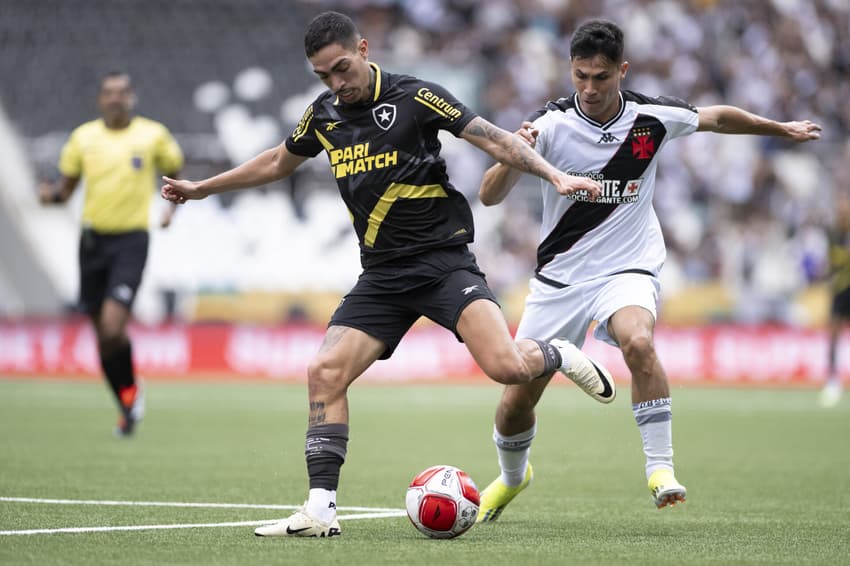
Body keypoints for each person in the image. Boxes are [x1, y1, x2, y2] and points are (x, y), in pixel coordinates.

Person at [161, 11, 616, 538]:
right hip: (382, 276)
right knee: (324, 373)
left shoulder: (416, 96)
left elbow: (493, 139)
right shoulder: (324, 115)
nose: (336, 83)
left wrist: (555, 174)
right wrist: (202, 188)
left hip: (444, 263)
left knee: (509, 368)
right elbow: (276, 162)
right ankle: (320, 509)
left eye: (342, 68)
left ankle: (559, 353)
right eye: (324, 76)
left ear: (364, 48)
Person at [474, 19, 822, 521]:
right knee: (513, 404)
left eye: (601, 77)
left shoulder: (650, 117)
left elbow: (717, 117)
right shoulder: (547, 125)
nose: (589, 89)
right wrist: (514, 153)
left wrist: (780, 129)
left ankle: (660, 469)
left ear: (623, 70)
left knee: (638, 341)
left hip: (628, 266)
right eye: (580, 77)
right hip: (560, 279)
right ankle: (512, 478)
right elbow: (488, 194)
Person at [40, 71, 184, 437]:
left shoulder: (153, 135)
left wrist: (170, 210)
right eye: (109, 93)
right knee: (102, 337)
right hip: (92, 243)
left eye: (122, 92)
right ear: (100, 99)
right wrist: (49, 196)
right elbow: (66, 191)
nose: (115, 99)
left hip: (131, 241)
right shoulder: (83, 138)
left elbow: (175, 175)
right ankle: (127, 399)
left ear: (131, 97)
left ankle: (130, 391)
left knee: (112, 327)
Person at [821, 192, 850, 408]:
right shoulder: (833, 235)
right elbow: (831, 262)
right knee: (833, 334)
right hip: (840, 289)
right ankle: (832, 379)